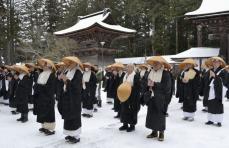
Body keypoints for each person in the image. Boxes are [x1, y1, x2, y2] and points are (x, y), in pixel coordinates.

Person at [144, 56, 171, 141]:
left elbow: (167, 87)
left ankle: (161, 133)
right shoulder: (150, 72)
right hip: (151, 96)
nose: (155, 65)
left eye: (157, 63)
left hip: (161, 98)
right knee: (151, 114)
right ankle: (154, 131)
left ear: (161, 64)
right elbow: (145, 82)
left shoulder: (165, 74)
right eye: (154, 63)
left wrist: (154, 84)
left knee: (160, 115)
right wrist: (146, 84)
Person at [59, 56, 83, 144]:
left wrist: (67, 81)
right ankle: (69, 133)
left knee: (74, 116)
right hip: (67, 97)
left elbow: (76, 87)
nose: (69, 64)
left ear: (75, 64)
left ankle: (76, 136)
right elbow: (66, 83)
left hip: (74, 98)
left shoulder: (78, 73)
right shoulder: (68, 71)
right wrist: (63, 79)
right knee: (68, 115)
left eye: (71, 63)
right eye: (68, 63)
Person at [33, 59, 56, 135]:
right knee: (42, 111)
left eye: (45, 65)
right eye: (43, 65)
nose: (43, 66)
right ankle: (44, 126)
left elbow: (51, 87)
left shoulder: (52, 74)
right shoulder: (41, 74)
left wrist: (40, 87)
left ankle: (50, 128)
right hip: (41, 96)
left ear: (49, 66)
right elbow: (37, 84)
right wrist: (36, 87)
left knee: (48, 112)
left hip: (48, 97)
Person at [205, 57, 227, 127]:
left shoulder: (223, 71)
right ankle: (210, 120)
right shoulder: (210, 70)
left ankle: (219, 121)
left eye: (217, 62)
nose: (215, 63)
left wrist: (215, 76)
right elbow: (207, 80)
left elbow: (224, 81)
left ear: (220, 63)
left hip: (218, 91)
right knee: (211, 104)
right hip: (211, 90)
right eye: (214, 62)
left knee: (218, 105)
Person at [119, 64, 140, 132]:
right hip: (124, 95)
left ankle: (132, 125)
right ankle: (125, 124)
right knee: (124, 109)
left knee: (132, 110)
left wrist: (130, 87)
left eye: (129, 67)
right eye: (127, 67)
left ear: (132, 68)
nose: (127, 68)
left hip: (132, 96)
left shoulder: (135, 76)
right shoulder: (125, 75)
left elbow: (138, 86)